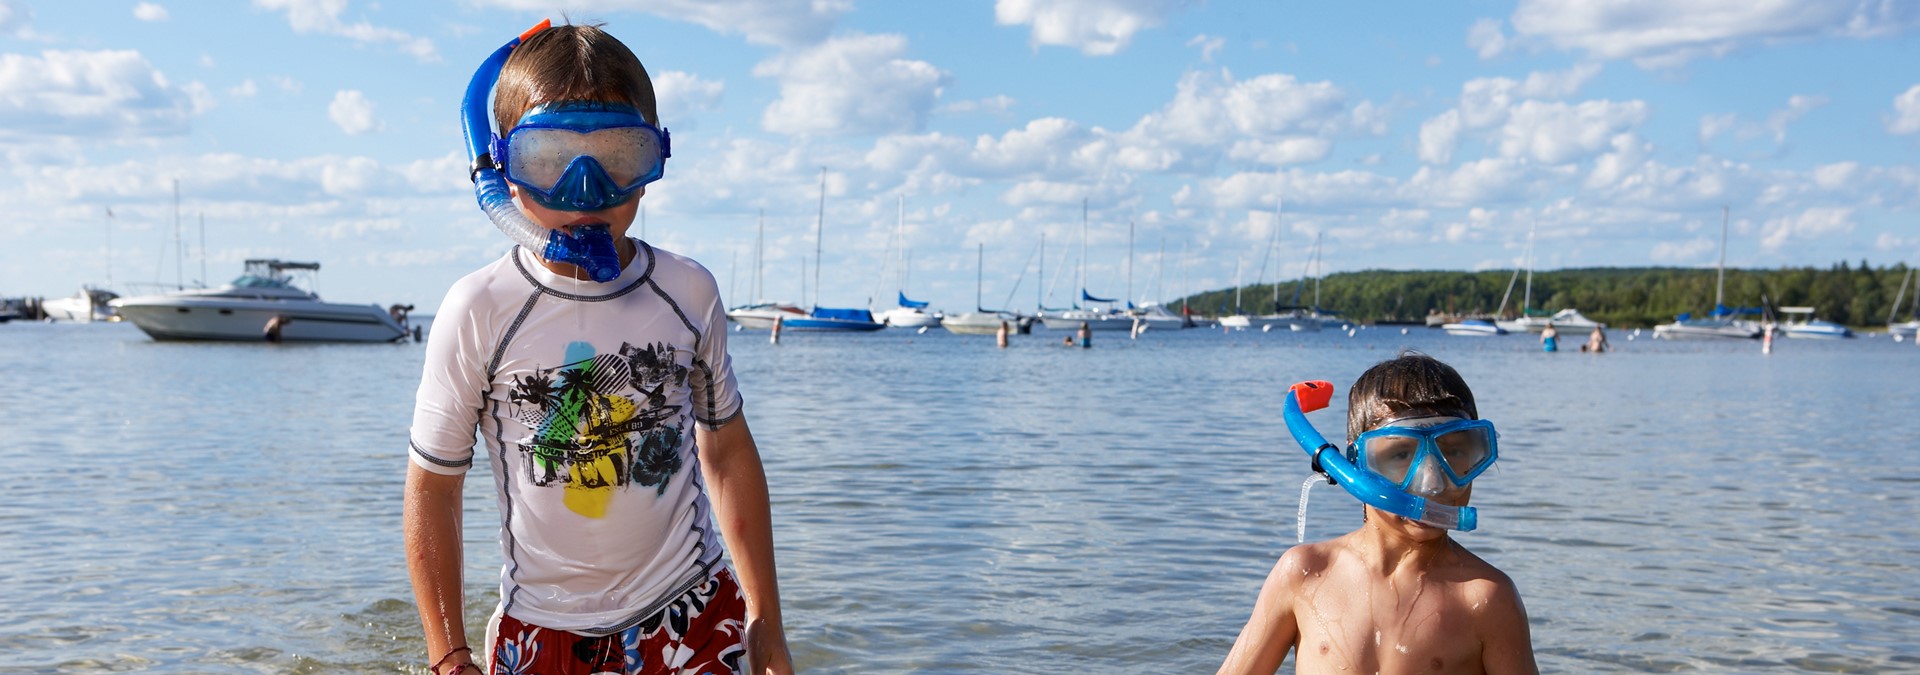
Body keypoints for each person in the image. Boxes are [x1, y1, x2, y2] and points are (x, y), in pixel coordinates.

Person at [404, 20, 792, 675]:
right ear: (503, 170)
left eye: (618, 155)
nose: (586, 190)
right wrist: (449, 656)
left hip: (692, 610)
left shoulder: (687, 290)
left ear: (655, 158)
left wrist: (766, 624)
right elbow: (433, 490)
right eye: (549, 159)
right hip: (543, 628)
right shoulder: (479, 308)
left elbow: (725, 451)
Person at [1218, 353, 1536, 674]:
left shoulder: (1485, 598)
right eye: (1400, 455)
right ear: (1352, 467)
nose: (1432, 483)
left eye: (1454, 452)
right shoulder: (1305, 573)